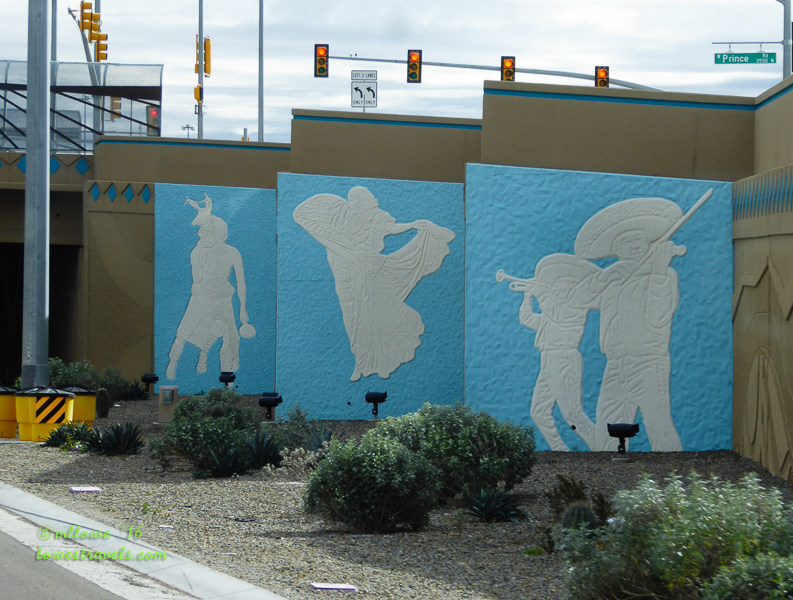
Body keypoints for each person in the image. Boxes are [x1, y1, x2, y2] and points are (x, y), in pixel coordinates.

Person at [294, 186, 455, 380]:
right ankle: (360, 359)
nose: (350, 205)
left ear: (364, 203)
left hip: (369, 275)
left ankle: (371, 364)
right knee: (352, 321)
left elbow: (392, 229)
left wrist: (413, 225)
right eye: (349, 201)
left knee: (369, 319)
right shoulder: (339, 220)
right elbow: (300, 215)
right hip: (345, 280)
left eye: (354, 201)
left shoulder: (376, 217)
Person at [575, 197, 684, 452]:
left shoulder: (664, 275)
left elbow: (659, 317)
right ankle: (604, 477)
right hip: (616, 363)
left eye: (639, 240)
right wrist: (605, 277)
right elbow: (578, 298)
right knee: (607, 427)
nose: (635, 246)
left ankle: (674, 480)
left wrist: (657, 274)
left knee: (659, 425)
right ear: (617, 250)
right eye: (626, 242)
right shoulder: (614, 278)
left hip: (648, 361)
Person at [515, 254, 599, 451]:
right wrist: (527, 296)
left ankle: (602, 447)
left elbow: (557, 315)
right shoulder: (549, 314)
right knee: (538, 411)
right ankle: (560, 450)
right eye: (556, 288)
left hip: (565, 360)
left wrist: (540, 295)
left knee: (573, 414)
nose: (556, 291)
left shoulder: (575, 309)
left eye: (562, 288)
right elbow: (526, 319)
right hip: (548, 360)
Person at [166, 193, 254, 380]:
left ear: (218, 234)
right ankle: (173, 363)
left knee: (230, 339)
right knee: (183, 332)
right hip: (201, 298)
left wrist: (243, 310)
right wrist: (204, 256)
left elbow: (241, 283)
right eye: (200, 231)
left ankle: (228, 379)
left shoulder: (233, 253)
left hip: (223, 299)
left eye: (204, 231)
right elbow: (197, 279)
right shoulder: (197, 252)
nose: (200, 234)